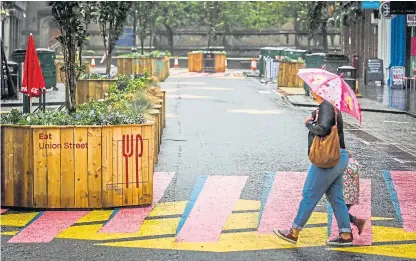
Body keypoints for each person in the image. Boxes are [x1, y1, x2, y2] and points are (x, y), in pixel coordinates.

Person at [274, 91, 353, 246]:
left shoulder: (326, 106)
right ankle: (345, 234)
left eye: (313, 89)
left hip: (328, 159)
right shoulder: (330, 107)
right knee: (336, 198)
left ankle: (293, 232)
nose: (311, 91)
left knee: (309, 194)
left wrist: (308, 123)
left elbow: (323, 129)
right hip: (339, 156)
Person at [343, 152, 367, 234]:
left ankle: (353, 225)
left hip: (344, 195)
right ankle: (354, 224)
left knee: (341, 212)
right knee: (343, 213)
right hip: (352, 195)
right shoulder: (353, 164)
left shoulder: (342, 165)